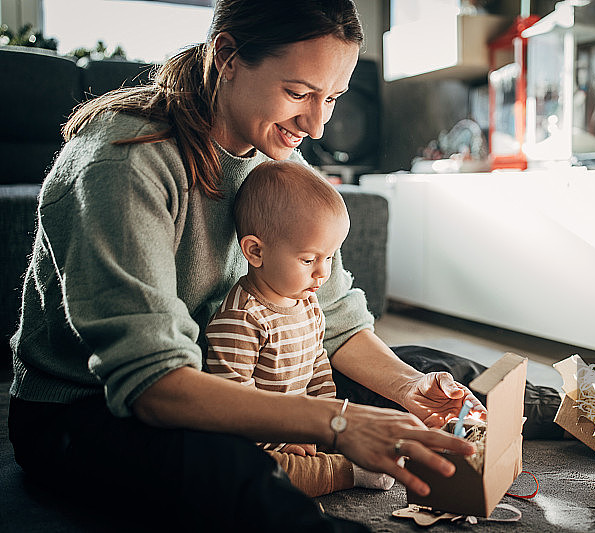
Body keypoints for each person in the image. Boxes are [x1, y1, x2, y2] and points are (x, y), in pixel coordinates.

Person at [7, 1, 492, 531]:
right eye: (298, 93)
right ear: (227, 57)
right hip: (90, 407)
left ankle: (554, 408)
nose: (316, 125)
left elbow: (334, 316)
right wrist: (337, 421)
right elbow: (153, 384)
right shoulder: (125, 163)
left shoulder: (275, 152)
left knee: (423, 367)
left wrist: (407, 388)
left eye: (332, 98)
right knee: (230, 469)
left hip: (233, 371)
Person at [205, 160, 394, 497]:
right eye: (309, 260)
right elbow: (233, 406)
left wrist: (324, 424)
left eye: (330, 257)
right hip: (255, 435)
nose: (323, 273)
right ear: (256, 251)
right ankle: (346, 473)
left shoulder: (306, 302)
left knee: (361, 423)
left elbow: (318, 364)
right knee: (258, 474)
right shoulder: (241, 319)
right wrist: (283, 437)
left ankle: (340, 457)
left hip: (298, 420)